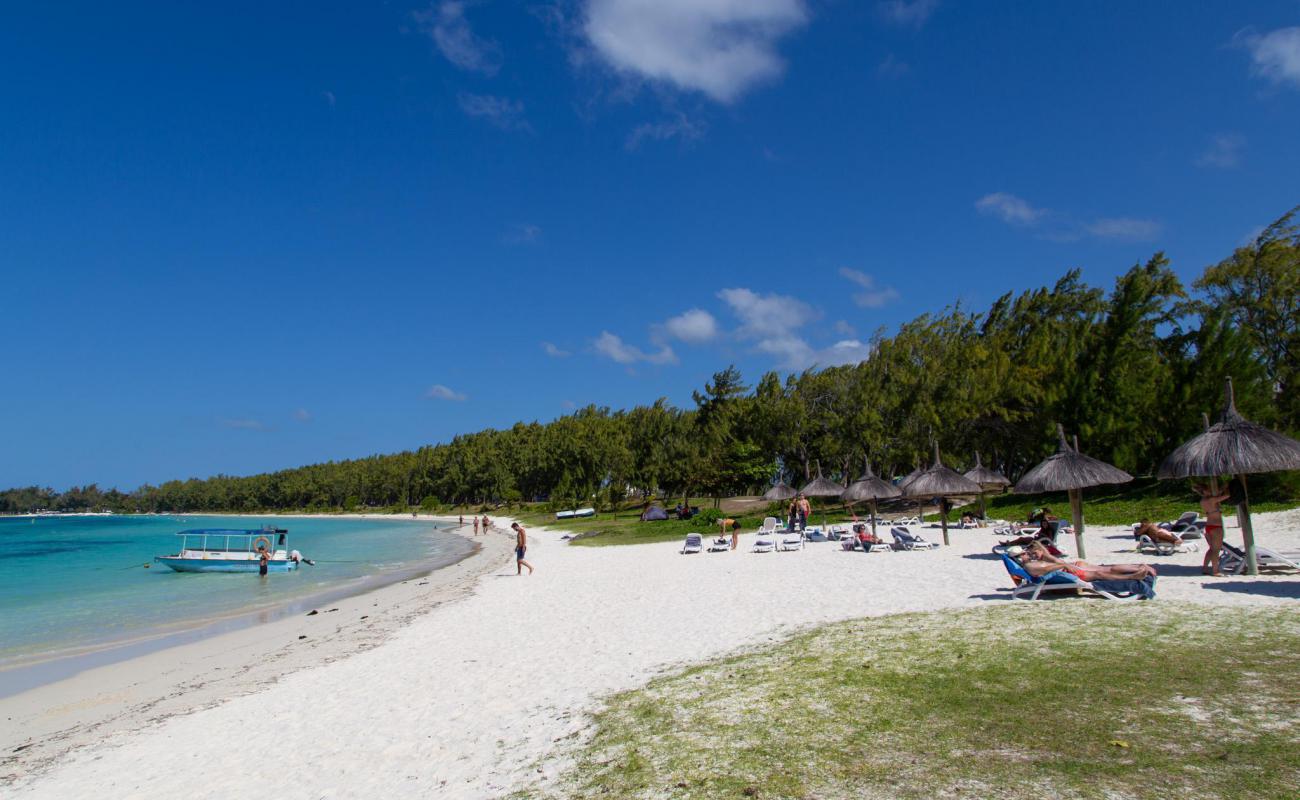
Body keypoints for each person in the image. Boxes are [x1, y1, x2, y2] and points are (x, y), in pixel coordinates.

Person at [1022, 541, 1156, 581]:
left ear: (1040, 549)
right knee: (1106, 569)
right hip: (1074, 567)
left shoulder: (1046, 557)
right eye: (1032, 554)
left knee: (1103, 573)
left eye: (1035, 552)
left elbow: (1056, 564)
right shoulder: (1042, 558)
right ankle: (1138, 567)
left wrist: (1064, 565)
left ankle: (1134, 574)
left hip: (1074, 570)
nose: (1035, 555)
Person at [1195, 483, 1231, 576]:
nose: (1211, 491)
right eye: (1209, 489)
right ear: (1205, 491)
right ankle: (1215, 571)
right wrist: (1227, 488)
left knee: (1211, 549)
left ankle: (1205, 568)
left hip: (1209, 526)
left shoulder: (1203, 501)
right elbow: (1227, 496)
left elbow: (1218, 494)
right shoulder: (1212, 500)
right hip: (1216, 527)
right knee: (1216, 550)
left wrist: (1222, 488)